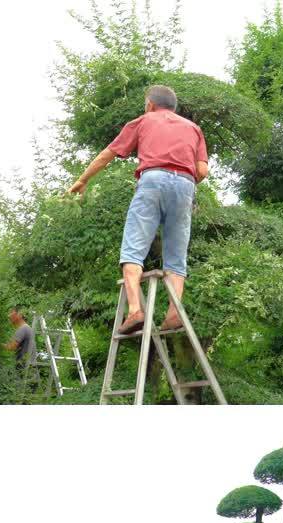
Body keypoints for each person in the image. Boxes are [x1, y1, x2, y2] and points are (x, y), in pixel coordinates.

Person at [68, 85, 209, 335]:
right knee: (176, 256)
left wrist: (83, 180)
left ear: (150, 104)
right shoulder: (193, 128)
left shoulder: (143, 121)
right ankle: (174, 314)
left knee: (132, 251)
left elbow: (107, 155)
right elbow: (202, 171)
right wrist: (181, 183)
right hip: (186, 184)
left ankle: (135, 311)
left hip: (152, 179)